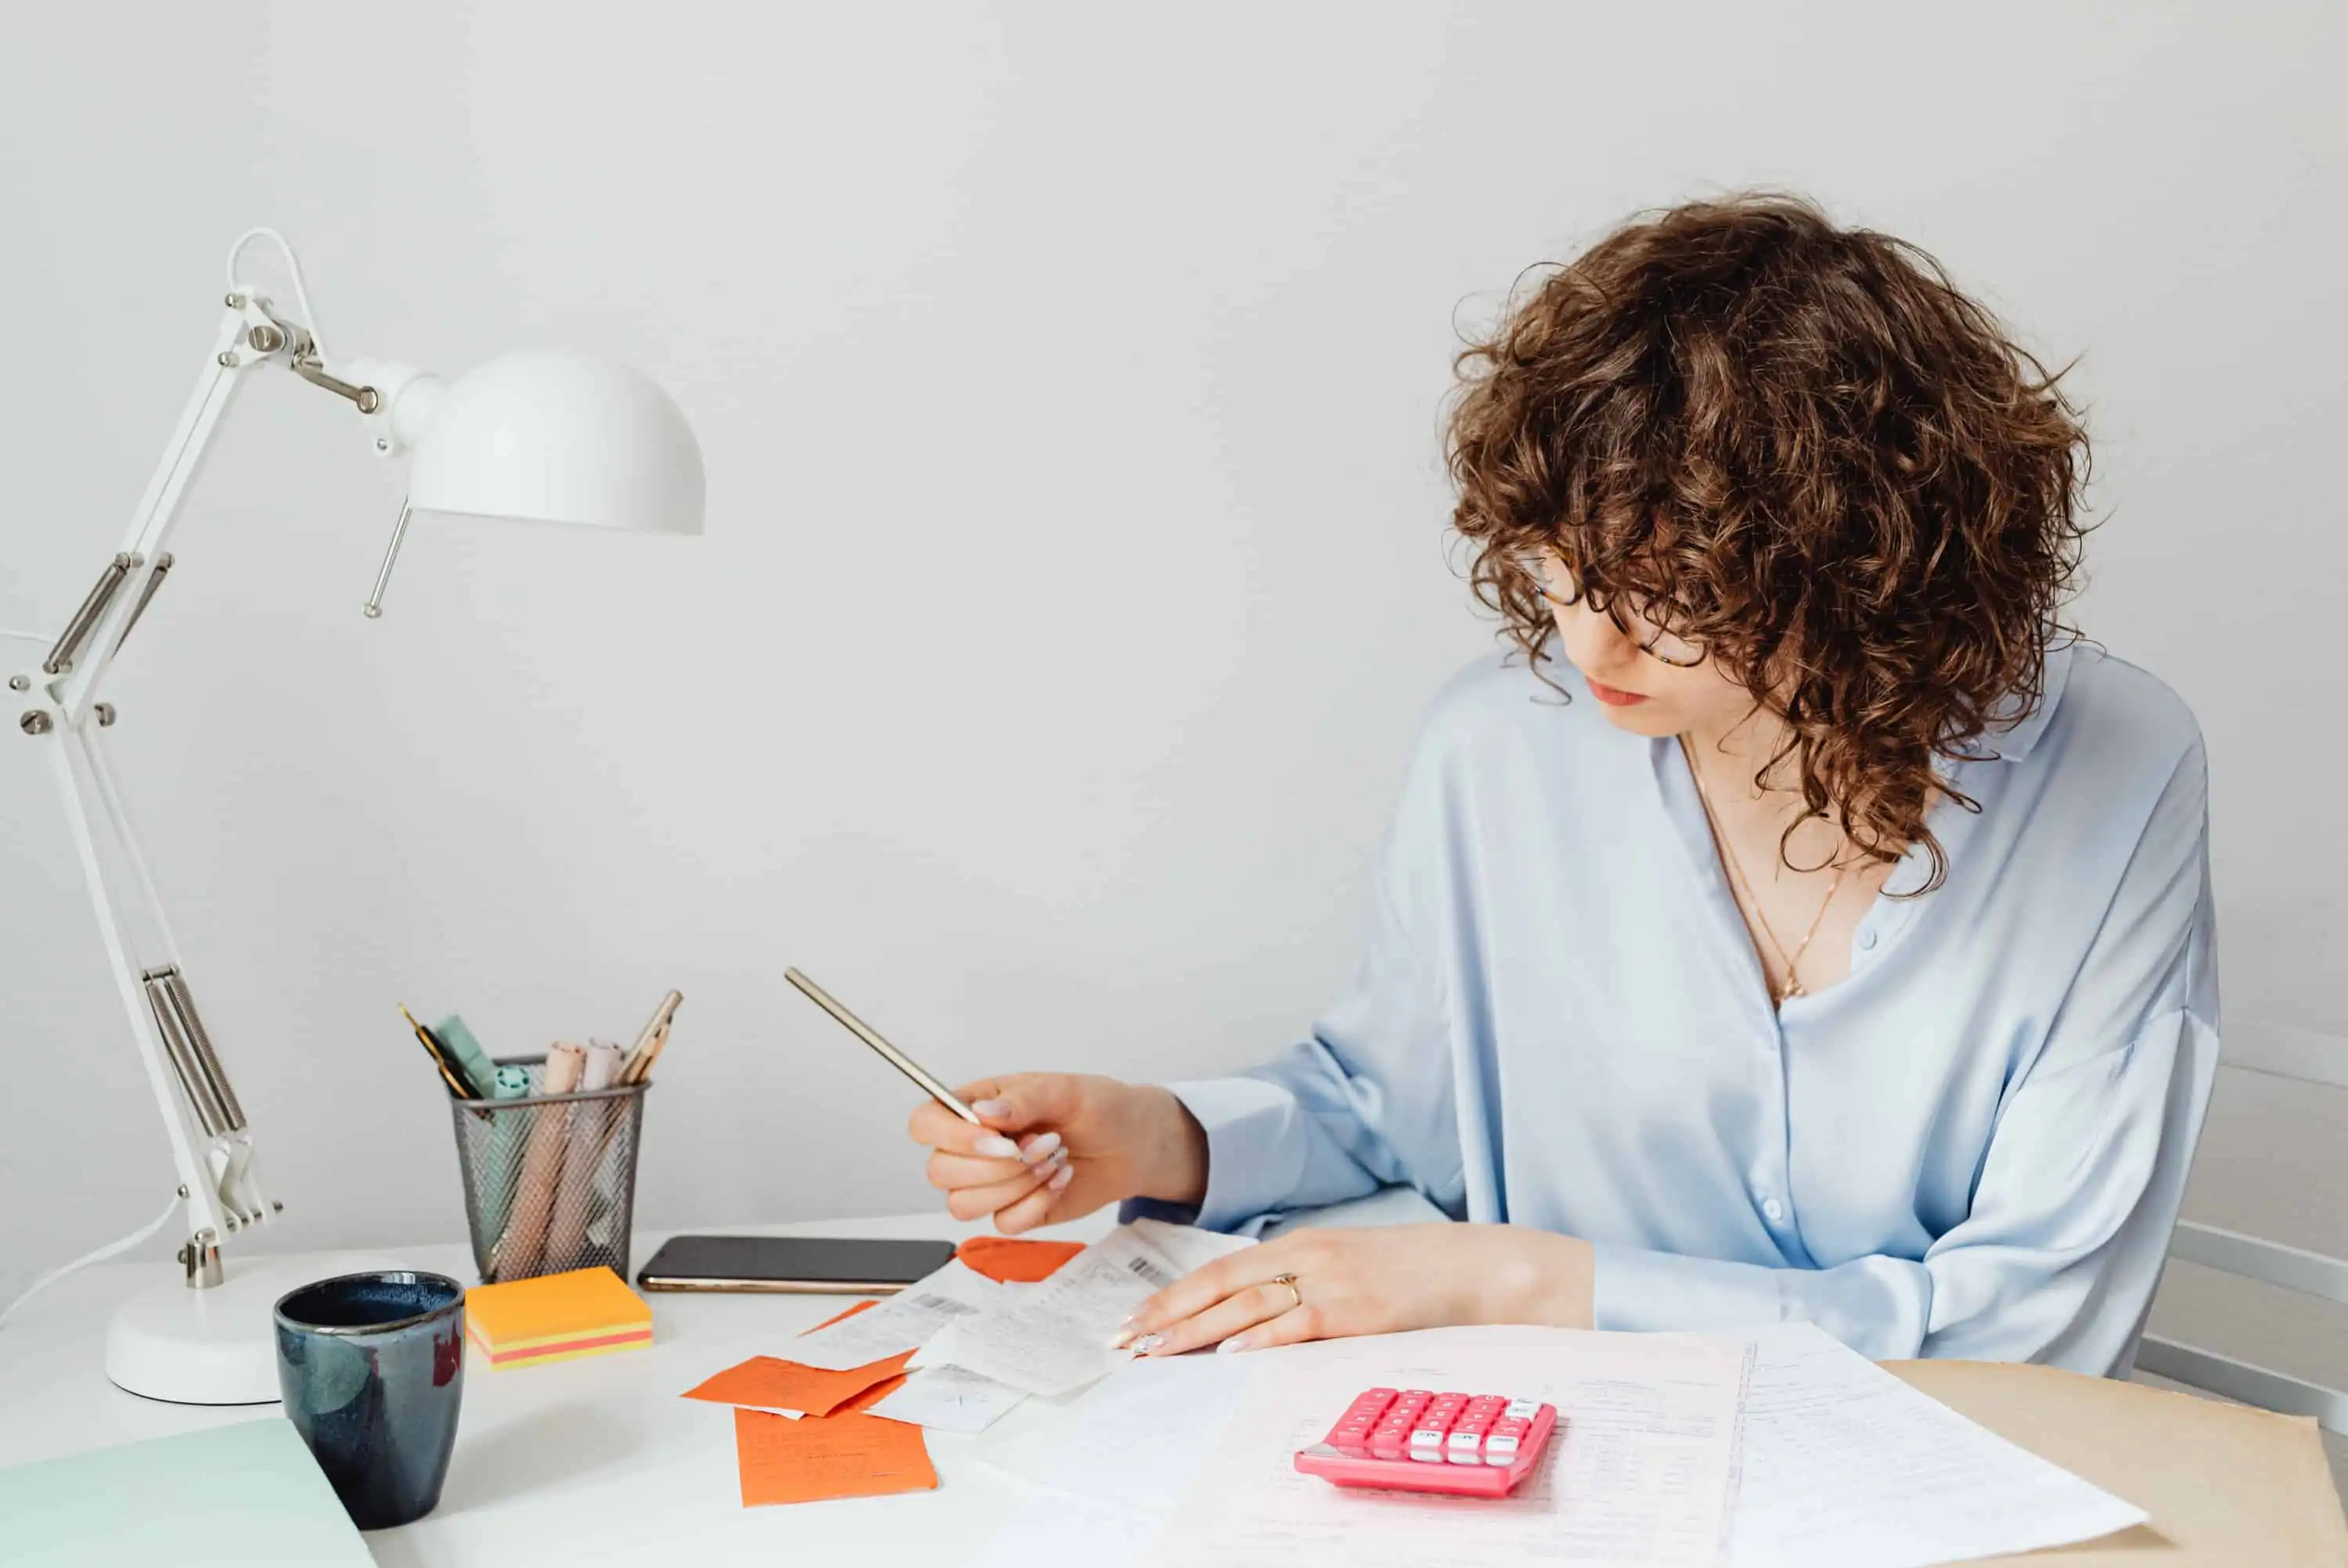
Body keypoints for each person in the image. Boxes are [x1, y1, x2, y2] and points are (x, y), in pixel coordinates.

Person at [909, 194, 2217, 1377]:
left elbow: (2034, 1326)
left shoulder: (2114, 770)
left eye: (1676, 591)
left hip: (1948, 1482)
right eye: (1561, 567)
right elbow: (1394, 1108)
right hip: (1568, 1463)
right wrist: (1162, 1138)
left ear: (1861, 561)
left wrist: (1522, 1281)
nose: (1596, 644)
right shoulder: (1499, 748)